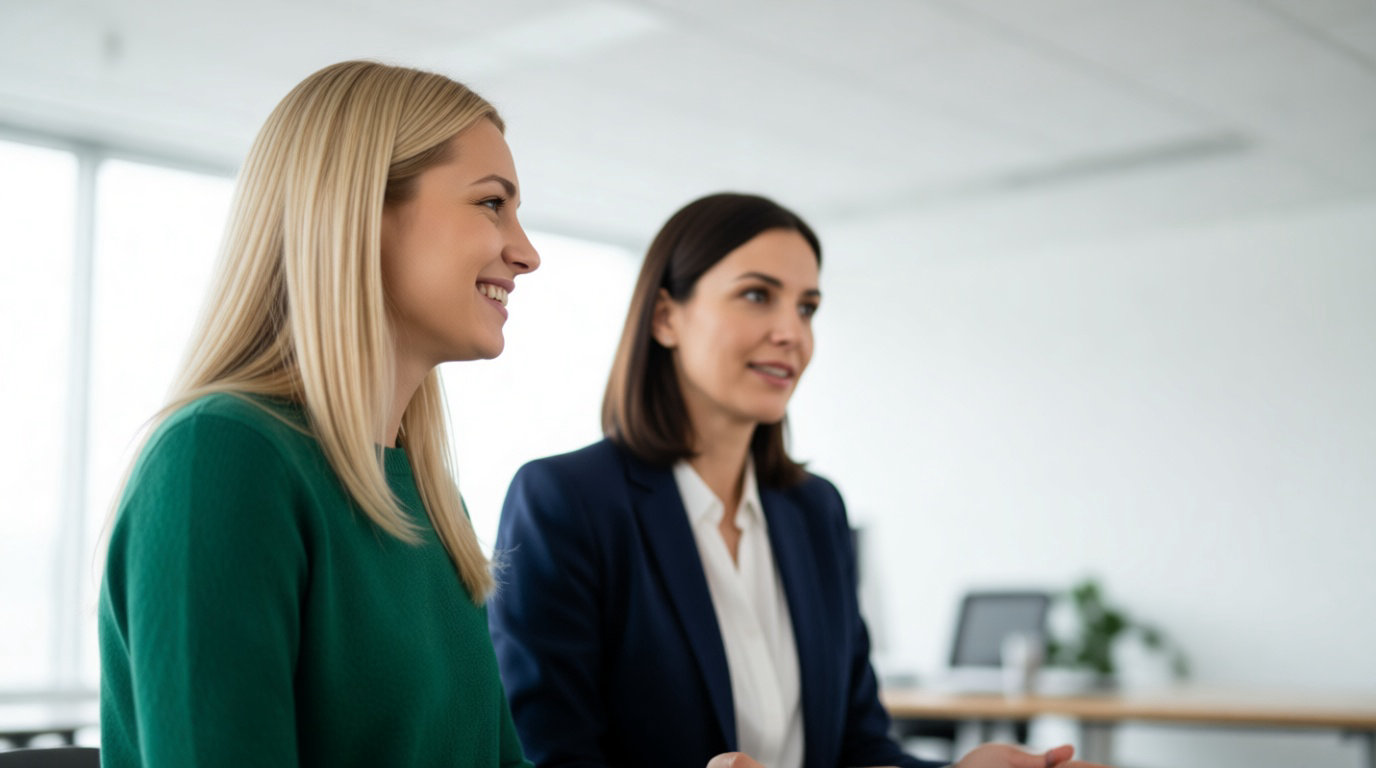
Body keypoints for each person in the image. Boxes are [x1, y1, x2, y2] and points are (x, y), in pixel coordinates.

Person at [488, 193, 1108, 768]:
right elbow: (547, 754)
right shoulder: (566, 501)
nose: (793, 332)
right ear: (665, 317)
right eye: (758, 295)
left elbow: (860, 746)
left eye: (806, 307)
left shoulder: (814, 511)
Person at [98, 60, 539, 767]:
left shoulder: (429, 499)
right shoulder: (220, 458)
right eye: (492, 204)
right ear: (361, 208)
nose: (527, 252)